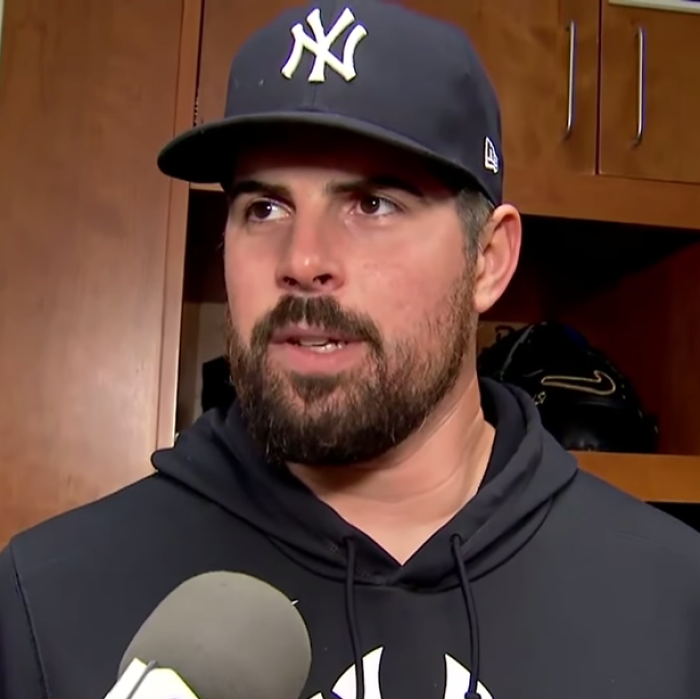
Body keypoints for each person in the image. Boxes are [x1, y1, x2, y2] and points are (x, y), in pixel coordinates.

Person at [2, 1, 700, 698]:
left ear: (487, 259)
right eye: (264, 208)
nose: (302, 259)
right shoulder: (50, 601)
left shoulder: (673, 600)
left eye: (372, 204)